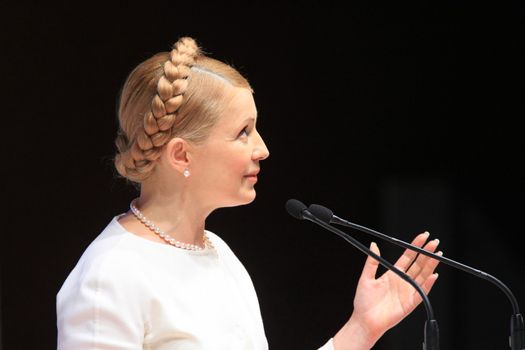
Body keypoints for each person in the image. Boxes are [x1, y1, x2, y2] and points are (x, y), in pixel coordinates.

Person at [56, 37, 441, 350]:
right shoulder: (110, 277)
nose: (262, 148)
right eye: (243, 132)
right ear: (181, 154)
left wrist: (361, 329)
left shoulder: (219, 255)